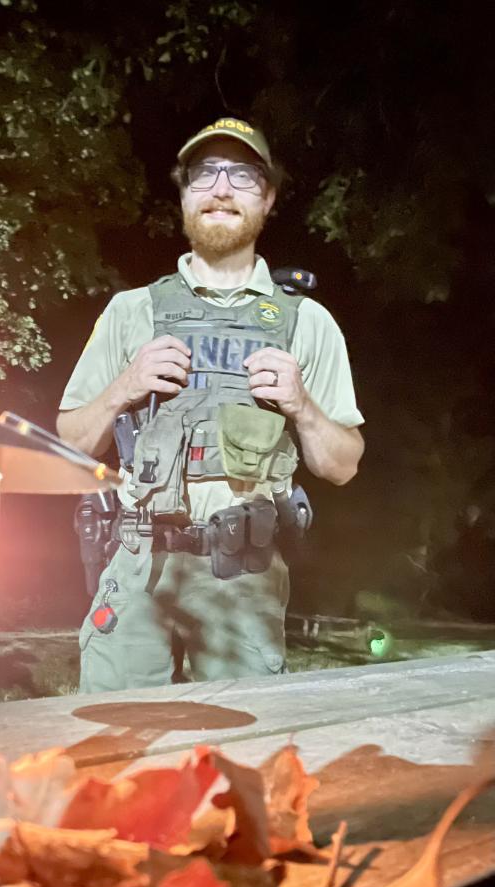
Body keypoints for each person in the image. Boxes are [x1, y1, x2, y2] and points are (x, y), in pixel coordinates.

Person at [57, 117, 364, 693]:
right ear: (184, 193)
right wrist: (125, 386)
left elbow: (342, 464)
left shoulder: (308, 322)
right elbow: (69, 443)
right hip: (137, 562)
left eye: (243, 175)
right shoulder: (132, 312)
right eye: (204, 174)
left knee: (240, 756)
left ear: (267, 197)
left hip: (242, 576)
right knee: (116, 748)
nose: (221, 188)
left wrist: (301, 406)